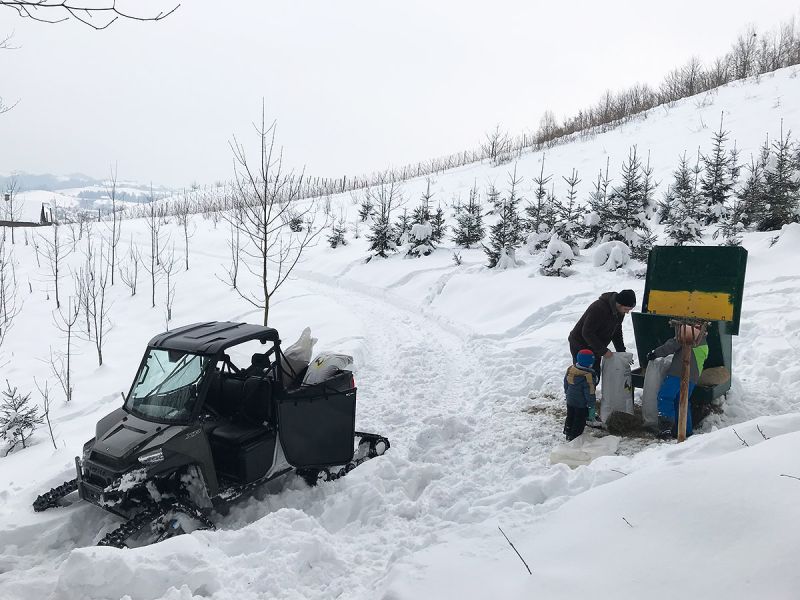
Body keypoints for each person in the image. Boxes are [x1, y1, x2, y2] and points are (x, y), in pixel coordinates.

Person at [646, 325, 709, 438]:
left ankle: (666, 427)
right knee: (682, 401)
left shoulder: (689, 333)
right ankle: (685, 430)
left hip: (678, 373)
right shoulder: (703, 341)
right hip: (693, 377)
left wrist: (654, 353)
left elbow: (671, 346)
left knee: (665, 396)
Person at [568, 289, 636, 381]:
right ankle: (578, 390)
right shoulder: (599, 308)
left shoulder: (619, 312)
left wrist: (622, 352)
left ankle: (591, 389)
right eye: (626, 309)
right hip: (580, 344)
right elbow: (587, 332)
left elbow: (616, 332)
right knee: (583, 376)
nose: (627, 312)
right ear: (619, 304)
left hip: (595, 345)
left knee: (595, 375)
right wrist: (603, 351)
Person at [563, 349, 599, 441]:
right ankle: (574, 436)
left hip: (570, 400)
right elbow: (590, 393)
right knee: (579, 419)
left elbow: (566, 382)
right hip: (581, 404)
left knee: (570, 415)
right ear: (590, 364)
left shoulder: (571, 369)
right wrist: (591, 405)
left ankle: (567, 430)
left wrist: (567, 392)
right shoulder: (588, 376)